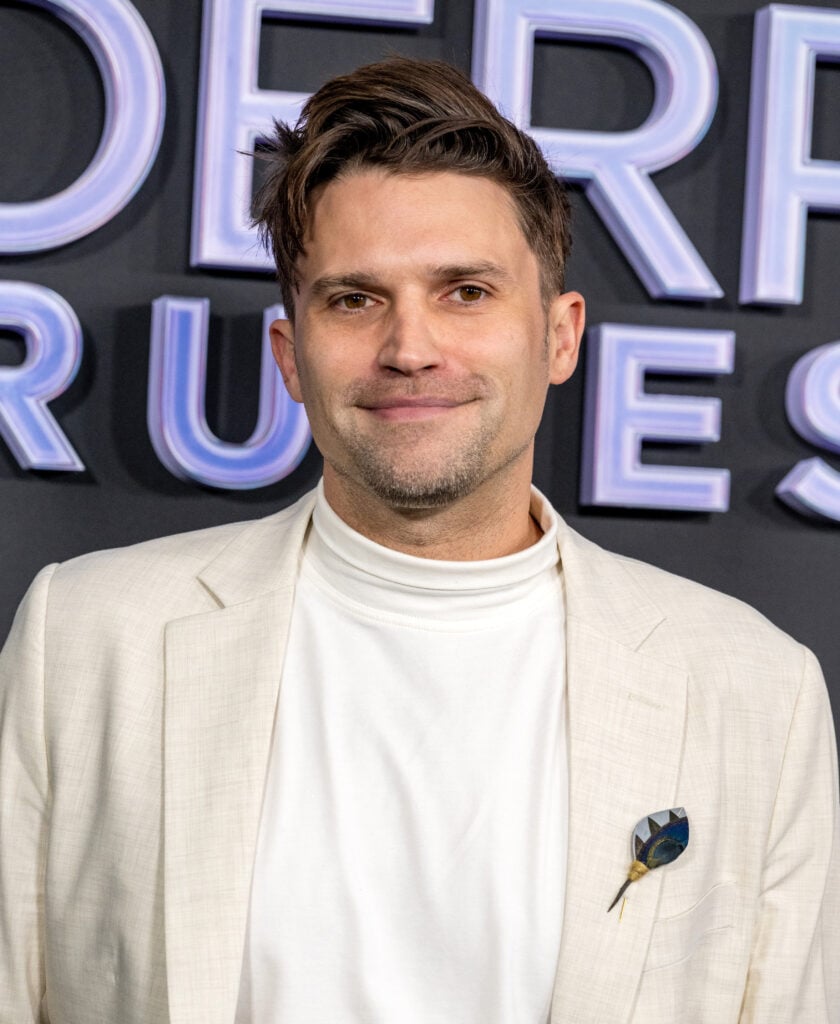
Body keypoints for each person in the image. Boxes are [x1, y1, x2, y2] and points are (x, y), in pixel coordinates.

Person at [0, 56, 838, 1024]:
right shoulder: (91, 637)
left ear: (559, 337)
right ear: (291, 355)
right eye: (354, 298)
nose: (410, 346)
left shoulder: (751, 685)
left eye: (466, 292)